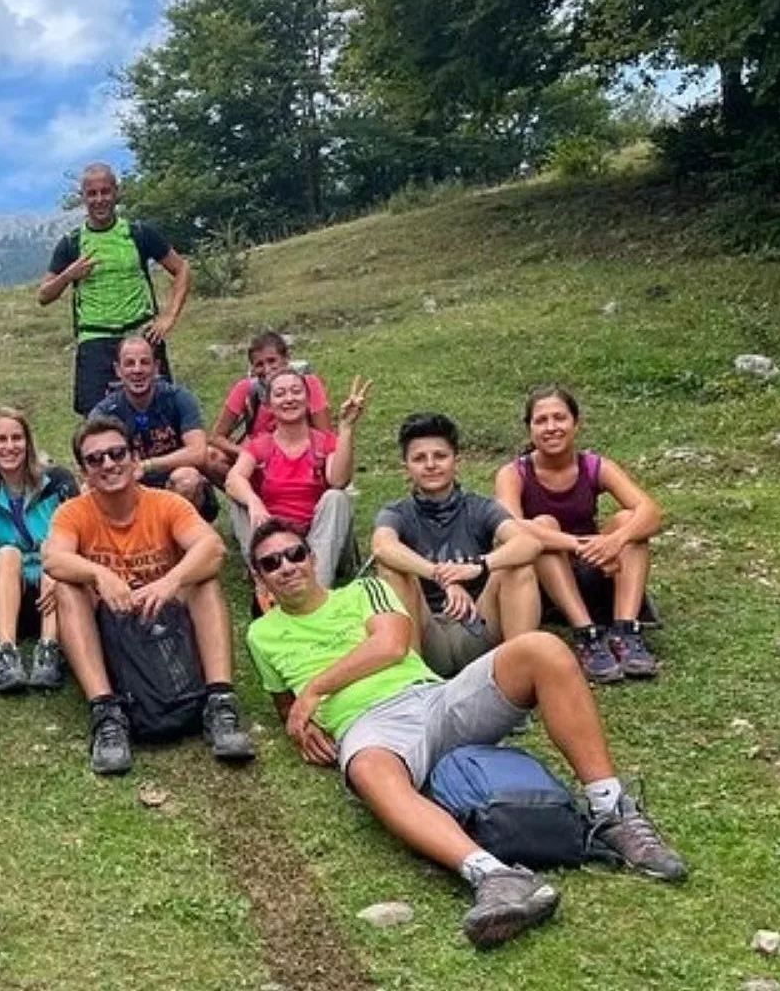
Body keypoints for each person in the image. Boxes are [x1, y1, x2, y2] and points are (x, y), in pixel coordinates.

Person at [242, 519, 686, 949]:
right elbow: (289, 707)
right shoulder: (261, 635)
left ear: (312, 557)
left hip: (430, 698)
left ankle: (611, 810)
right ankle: (494, 877)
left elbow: (392, 644)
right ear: (260, 578)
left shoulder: (365, 590)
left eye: (294, 553)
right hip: (369, 728)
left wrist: (316, 688)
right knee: (368, 770)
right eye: (271, 563)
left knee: (542, 648)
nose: (286, 566)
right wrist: (299, 729)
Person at [41, 416, 255, 775]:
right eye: (95, 459)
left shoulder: (165, 504)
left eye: (116, 453)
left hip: (163, 613)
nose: (108, 464)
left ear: (134, 459)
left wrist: (170, 581)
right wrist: (99, 573)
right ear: (84, 474)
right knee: (66, 585)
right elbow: (53, 557)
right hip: (111, 619)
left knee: (203, 579)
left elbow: (213, 548)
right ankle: (105, 712)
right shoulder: (73, 512)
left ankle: (220, 700)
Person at [494, 385, 665, 683]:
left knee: (629, 520)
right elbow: (509, 527)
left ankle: (626, 630)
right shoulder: (514, 473)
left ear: (576, 423)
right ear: (529, 428)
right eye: (541, 420)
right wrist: (575, 544)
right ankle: (586, 634)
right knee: (542, 526)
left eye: (559, 418)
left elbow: (650, 511)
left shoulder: (594, 465)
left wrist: (615, 540)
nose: (551, 427)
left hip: (595, 569)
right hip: (548, 581)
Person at [370, 413, 544, 678]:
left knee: (518, 567)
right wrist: (443, 577)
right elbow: (382, 547)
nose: (431, 465)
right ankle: (411, 683)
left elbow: (528, 542)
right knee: (391, 570)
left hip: (477, 627)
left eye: (440, 456)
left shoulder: (480, 507)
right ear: (406, 467)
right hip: (425, 632)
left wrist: (478, 567)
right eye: (419, 458)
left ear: (456, 461)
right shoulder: (397, 512)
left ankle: (517, 677)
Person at [38, 162, 192, 416]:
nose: (99, 200)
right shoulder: (72, 243)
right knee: (98, 423)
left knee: (160, 414)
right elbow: (43, 295)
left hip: (141, 335)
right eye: (92, 194)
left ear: (116, 193)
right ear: (83, 198)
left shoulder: (138, 233)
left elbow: (181, 269)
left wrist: (169, 316)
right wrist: (68, 275)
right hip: (95, 341)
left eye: (105, 192)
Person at [0, 407, 78, 693]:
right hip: (9, 590)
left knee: (55, 549)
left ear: (28, 443)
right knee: (6, 553)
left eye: (17, 438)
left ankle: (49, 649)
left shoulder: (58, 482)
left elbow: (81, 533)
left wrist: (61, 570)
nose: (10, 447)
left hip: (57, 592)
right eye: (1, 440)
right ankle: (6, 652)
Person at [223, 370, 369, 587]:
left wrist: (346, 428)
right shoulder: (260, 444)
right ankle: (266, 576)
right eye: (280, 394)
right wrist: (254, 502)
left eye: (296, 392)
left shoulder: (323, 442)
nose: (289, 399)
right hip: (274, 536)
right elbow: (232, 479)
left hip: (317, 539)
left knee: (336, 497)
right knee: (239, 499)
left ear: (308, 400)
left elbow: (339, 480)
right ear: (269, 405)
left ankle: (316, 585)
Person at [89, 335, 218, 517]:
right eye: (130, 364)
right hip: (131, 487)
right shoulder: (105, 412)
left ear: (156, 367)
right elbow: (92, 462)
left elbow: (199, 452)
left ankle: (187, 539)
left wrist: (148, 465)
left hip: (174, 483)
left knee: (186, 478)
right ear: (118, 370)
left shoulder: (178, 398)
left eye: (144, 362)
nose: (137, 370)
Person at [208, 332, 333, 467]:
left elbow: (325, 436)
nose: (267, 369)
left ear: (286, 359)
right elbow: (216, 437)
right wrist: (248, 454)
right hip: (260, 459)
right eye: (259, 364)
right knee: (211, 456)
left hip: (301, 456)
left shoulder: (309, 384)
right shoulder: (246, 389)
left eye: (272, 360)